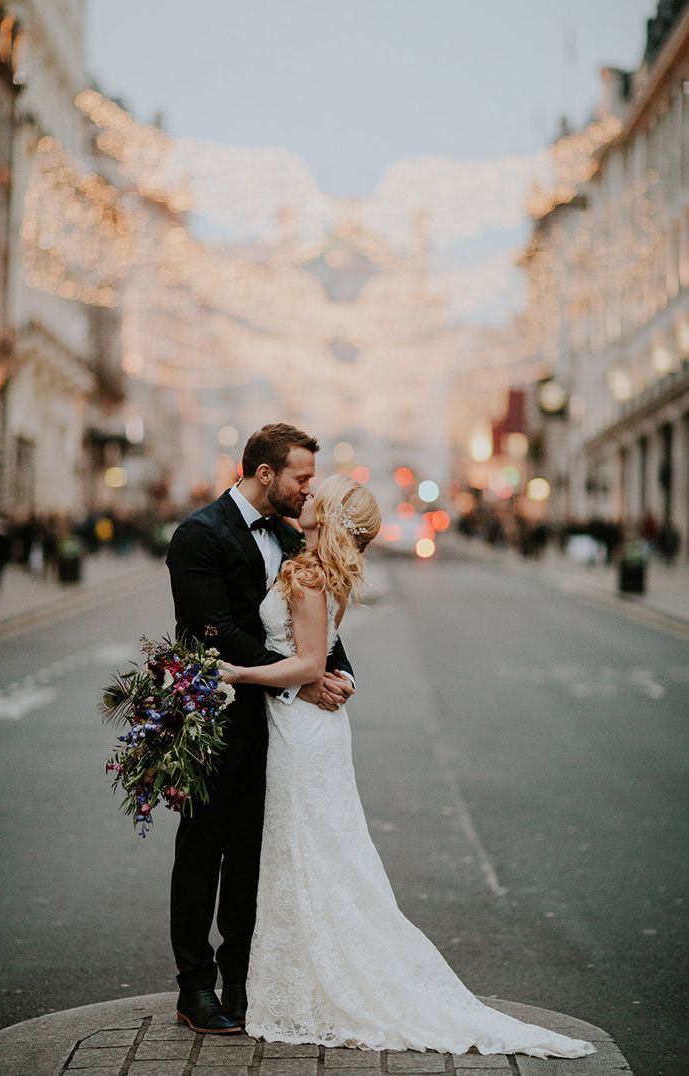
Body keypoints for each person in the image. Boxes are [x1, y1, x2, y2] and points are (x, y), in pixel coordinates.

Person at [220, 475, 595, 1061]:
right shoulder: (313, 567)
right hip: (302, 726)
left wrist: (238, 673)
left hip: (303, 732)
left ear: (331, 516)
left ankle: (323, 981)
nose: (310, 494)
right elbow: (319, 661)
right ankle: (304, 974)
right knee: (311, 849)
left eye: (320, 494)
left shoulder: (311, 574)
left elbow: (309, 664)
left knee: (310, 848)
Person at [165, 424, 356, 1035]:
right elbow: (215, 626)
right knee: (202, 850)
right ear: (265, 473)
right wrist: (300, 679)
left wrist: (338, 669)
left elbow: (312, 617)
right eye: (302, 477)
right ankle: (194, 988)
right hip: (218, 717)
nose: (310, 488)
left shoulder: (287, 530)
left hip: (276, 724)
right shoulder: (198, 535)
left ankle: (241, 976)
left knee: (252, 852)